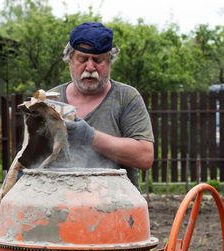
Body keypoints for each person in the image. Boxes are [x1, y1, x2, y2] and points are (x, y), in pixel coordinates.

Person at [49, 22, 154, 190]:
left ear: (110, 62)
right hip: (60, 207)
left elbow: (144, 156)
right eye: (82, 59)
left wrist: (89, 137)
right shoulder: (50, 100)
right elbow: (32, 159)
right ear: (70, 61)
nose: (90, 68)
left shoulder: (126, 98)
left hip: (118, 206)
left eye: (97, 60)